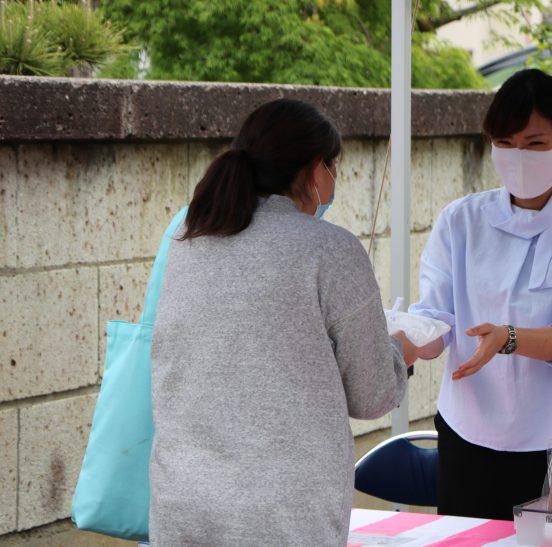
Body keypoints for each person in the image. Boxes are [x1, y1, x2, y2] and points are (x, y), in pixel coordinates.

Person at [149, 98, 415, 545]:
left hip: (182, 508)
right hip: (284, 516)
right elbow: (371, 396)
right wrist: (400, 351)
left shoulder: (187, 241)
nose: (333, 183)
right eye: (334, 168)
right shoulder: (328, 250)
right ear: (315, 170)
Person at [408, 69, 552, 521]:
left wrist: (509, 338)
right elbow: (434, 321)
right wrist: (401, 343)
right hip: (468, 431)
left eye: (534, 144)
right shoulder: (460, 220)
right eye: (504, 144)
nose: (517, 156)